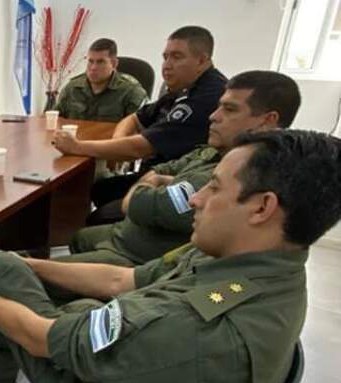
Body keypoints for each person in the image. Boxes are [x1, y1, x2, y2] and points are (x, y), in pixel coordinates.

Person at [0, 129, 341, 383]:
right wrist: (32, 265)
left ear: (262, 207)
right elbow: (121, 280)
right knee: (21, 271)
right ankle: (1, 367)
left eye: (215, 187)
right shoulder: (254, 261)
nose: (196, 198)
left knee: (1, 274)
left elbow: (40, 338)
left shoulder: (198, 327)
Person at [61, 70, 301, 268]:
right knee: (80, 237)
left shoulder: (235, 176)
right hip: (131, 237)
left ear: (268, 120)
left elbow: (137, 205)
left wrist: (154, 182)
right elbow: (164, 167)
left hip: (140, 261)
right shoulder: (216, 150)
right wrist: (155, 180)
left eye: (230, 109)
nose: (213, 116)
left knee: (36, 277)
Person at [54, 26, 227, 225]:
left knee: (97, 216)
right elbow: (135, 118)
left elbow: (140, 147)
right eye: (165, 57)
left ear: (202, 60)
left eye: (177, 57)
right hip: (155, 171)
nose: (167, 65)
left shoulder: (206, 96)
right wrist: (116, 142)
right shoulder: (184, 88)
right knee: (100, 189)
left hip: (177, 181)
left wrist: (78, 147)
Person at [55, 38, 147, 122]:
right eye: (90, 61)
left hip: (112, 139)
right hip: (76, 138)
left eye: (100, 62)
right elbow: (53, 120)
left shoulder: (131, 91)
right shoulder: (72, 88)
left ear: (114, 64)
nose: (93, 67)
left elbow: (140, 130)